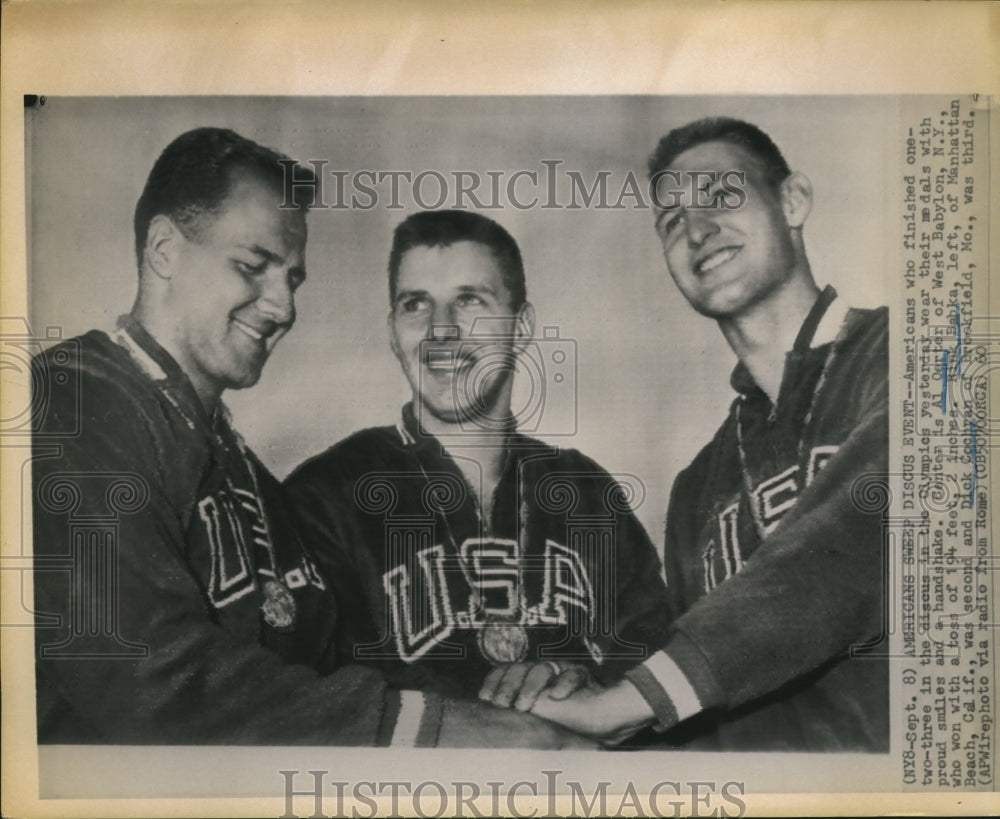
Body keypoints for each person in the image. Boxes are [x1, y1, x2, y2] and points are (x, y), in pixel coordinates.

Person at [31, 127, 588, 748]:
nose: (282, 306)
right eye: (252, 266)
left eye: (292, 279)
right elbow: (142, 678)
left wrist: (535, 689)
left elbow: (334, 676)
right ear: (164, 248)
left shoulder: (242, 469)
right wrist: (435, 729)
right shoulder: (75, 402)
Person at [495, 117, 889, 751]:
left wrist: (632, 700)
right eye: (672, 222)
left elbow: (861, 537)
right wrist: (588, 681)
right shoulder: (699, 486)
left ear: (793, 201)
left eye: (722, 196)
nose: (698, 229)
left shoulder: (911, 356)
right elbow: (690, 683)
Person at [285, 210, 672, 709]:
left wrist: (578, 674)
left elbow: (656, 656)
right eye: (415, 304)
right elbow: (304, 697)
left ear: (522, 324)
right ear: (391, 330)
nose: (440, 329)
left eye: (469, 300)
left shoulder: (587, 491)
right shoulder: (326, 494)